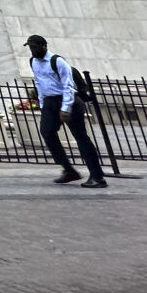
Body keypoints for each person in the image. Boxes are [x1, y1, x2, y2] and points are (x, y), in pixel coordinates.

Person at [26, 35, 107, 188]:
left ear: (44, 46)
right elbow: (39, 82)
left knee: (81, 137)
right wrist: (43, 104)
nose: (32, 50)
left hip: (68, 101)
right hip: (49, 102)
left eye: (35, 47)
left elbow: (68, 85)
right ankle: (69, 170)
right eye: (30, 48)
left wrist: (65, 108)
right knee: (47, 133)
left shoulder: (58, 61)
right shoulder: (33, 62)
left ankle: (97, 177)